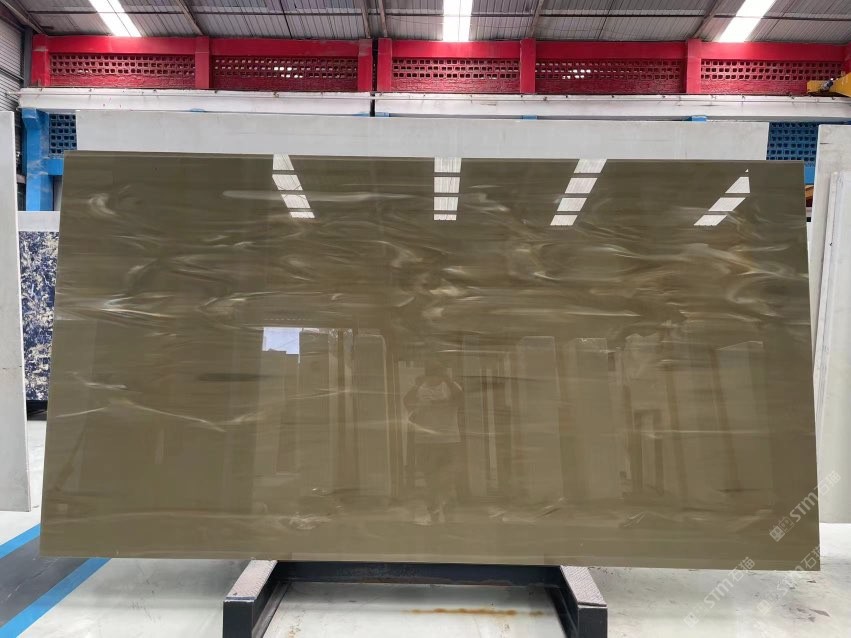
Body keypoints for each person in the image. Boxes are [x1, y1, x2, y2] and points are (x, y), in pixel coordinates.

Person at [403, 361, 463, 523]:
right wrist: (417, 386)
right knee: (431, 478)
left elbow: (459, 400)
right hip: (429, 441)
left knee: (446, 478)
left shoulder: (451, 387)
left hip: (446, 440)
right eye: (432, 374)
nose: (434, 378)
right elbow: (407, 401)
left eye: (437, 374)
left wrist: (448, 382)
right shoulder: (420, 389)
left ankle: (445, 511)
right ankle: (436, 511)